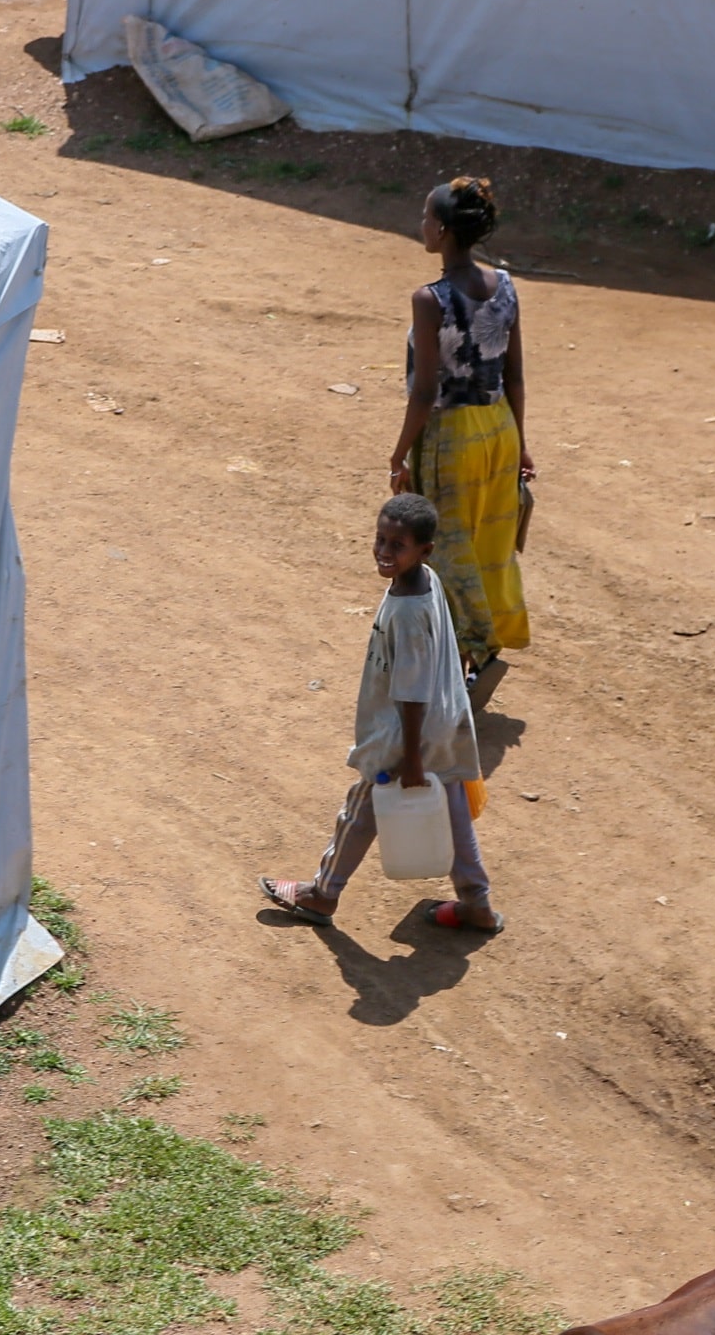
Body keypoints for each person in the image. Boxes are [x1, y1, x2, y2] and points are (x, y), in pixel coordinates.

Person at [259, 494, 500, 933]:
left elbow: (409, 692)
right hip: (445, 722)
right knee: (450, 808)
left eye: (397, 545)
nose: (385, 552)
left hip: (407, 733)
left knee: (362, 807)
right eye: (380, 539)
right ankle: (477, 902)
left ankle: (323, 893)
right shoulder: (426, 578)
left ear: (424, 550)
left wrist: (410, 758)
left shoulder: (407, 611)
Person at [387, 177, 531, 699]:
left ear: (443, 230)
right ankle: (481, 648)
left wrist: (399, 452)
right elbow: (513, 375)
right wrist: (522, 443)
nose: (421, 223)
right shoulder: (506, 286)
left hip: (451, 438)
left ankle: (474, 648)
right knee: (489, 545)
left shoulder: (430, 300)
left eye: (426, 216)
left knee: (447, 549)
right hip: (498, 431)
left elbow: (425, 390)